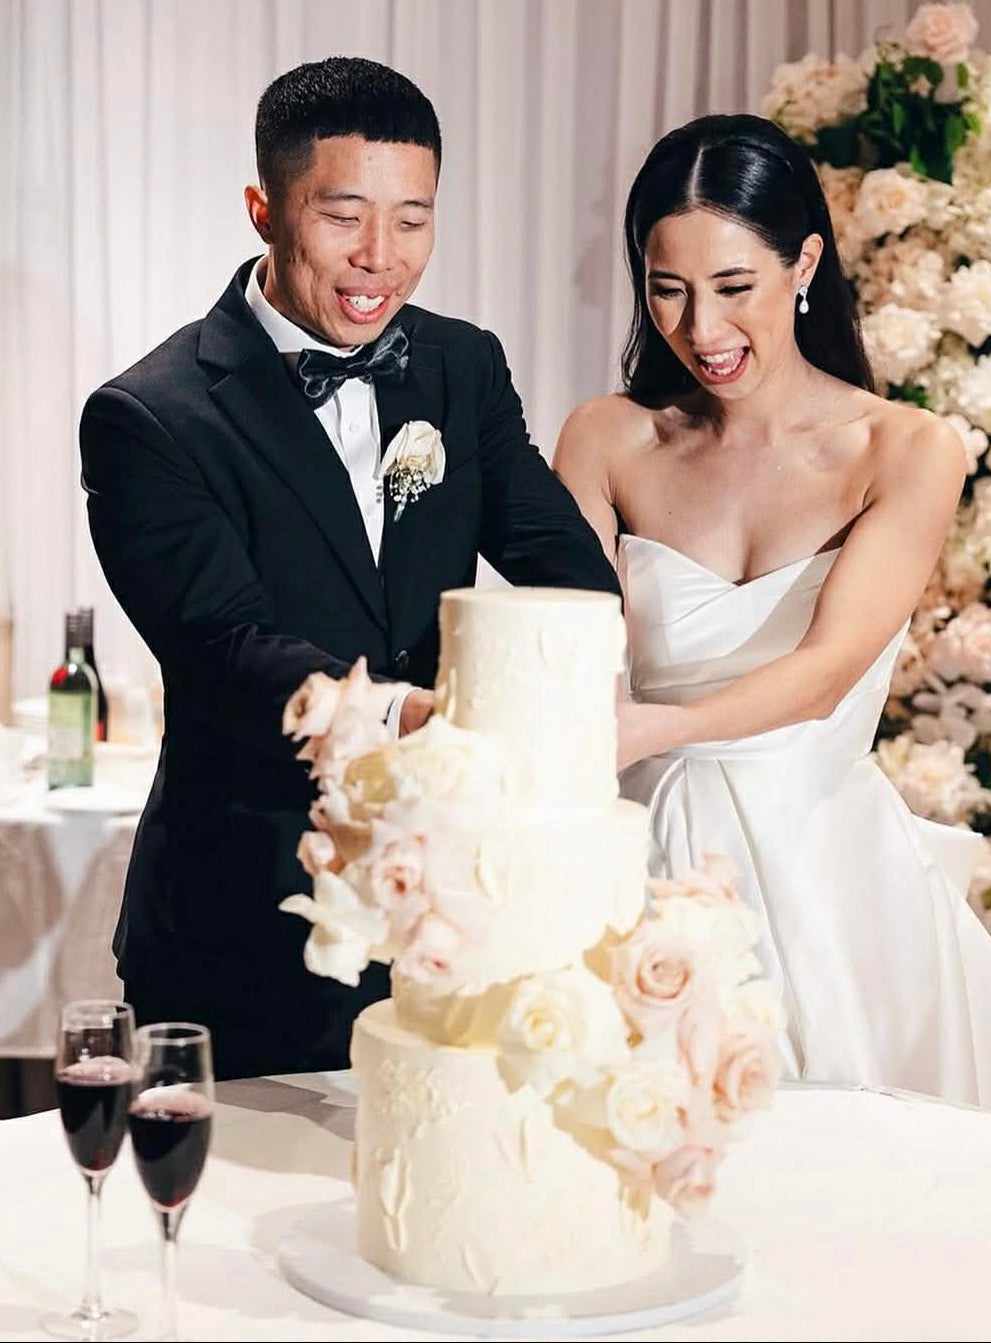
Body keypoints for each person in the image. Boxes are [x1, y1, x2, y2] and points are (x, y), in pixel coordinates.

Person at [80, 57, 619, 1079]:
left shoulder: (461, 365)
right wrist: (424, 723)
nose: (382, 257)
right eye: (344, 217)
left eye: (413, 220)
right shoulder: (148, 414)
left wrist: (550, 692)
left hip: (452, 912)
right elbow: (224, 644)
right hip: (245, 915)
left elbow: (565, 565)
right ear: (262, 208)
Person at [555, 113, 991, 1124]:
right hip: (635, 859)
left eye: (732, 287)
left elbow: (833, 664)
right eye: (667, 289)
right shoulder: (608, 438)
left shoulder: (906, 447)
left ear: (803, 263)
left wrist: (654, 728)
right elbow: (572, 637)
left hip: (826, 873)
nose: (700, 330)